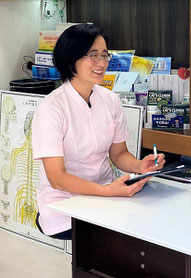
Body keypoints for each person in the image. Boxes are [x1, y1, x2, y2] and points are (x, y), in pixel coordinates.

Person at [31, 23, 165, 240]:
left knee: (153, 224)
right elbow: (57, 178)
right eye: (93, 55)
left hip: (108, 194)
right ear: (71, 58)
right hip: (64, 201)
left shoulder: (110, 100)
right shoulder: (51, 108)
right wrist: (107, 191)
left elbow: (118, 154)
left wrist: (141, 166)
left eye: (105, 55)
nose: (101, 63)